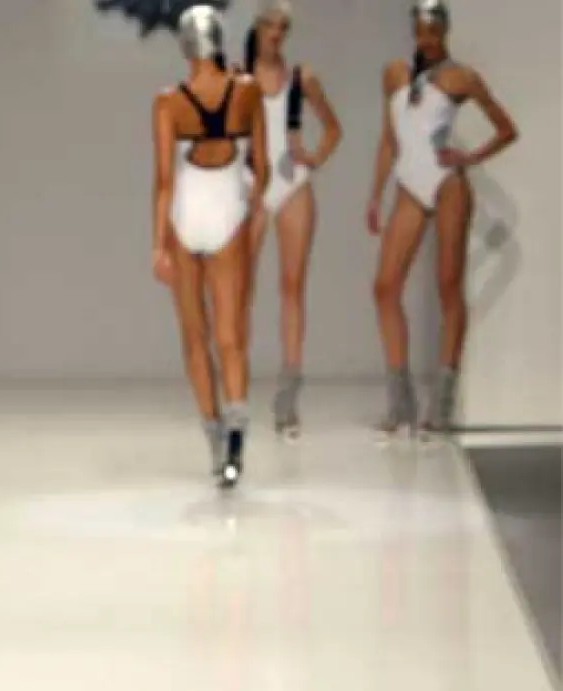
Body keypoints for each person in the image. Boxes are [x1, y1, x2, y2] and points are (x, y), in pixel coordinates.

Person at [366, 0, 517, 440]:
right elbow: (389, 140)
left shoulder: (461, 77)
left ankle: (442, 405)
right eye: (420, 31)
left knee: (448, 286)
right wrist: (375, 194)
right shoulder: (394, 73)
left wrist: (469, 158)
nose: (427, 39)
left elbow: (507, 129)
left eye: (433, 31)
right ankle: (401, 403)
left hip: (448, 184)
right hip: (409, 185)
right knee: (385, 287)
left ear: (445, 30)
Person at [152, 5, 268, 486]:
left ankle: (216, 441)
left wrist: (157, 245)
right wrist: (250, 206)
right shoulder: (248, 91)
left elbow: (163, 181)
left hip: (184, 217)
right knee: (230, 337)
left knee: (194, 337)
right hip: (228, 215)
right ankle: (236, 440)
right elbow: (262, 166)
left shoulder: (168, 103)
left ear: (184, 45)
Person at [239, 0, 342, 440]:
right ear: (258, 26)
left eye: (283, 27)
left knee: (292, 287)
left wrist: (314, 156)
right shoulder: (238, 79)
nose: (277, 34)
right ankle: (236, 392)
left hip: (293, 184)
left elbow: (333, 127)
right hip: (252, 186)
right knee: (241, 290)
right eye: (270, 25)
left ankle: (288, 399)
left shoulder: (301, 78)